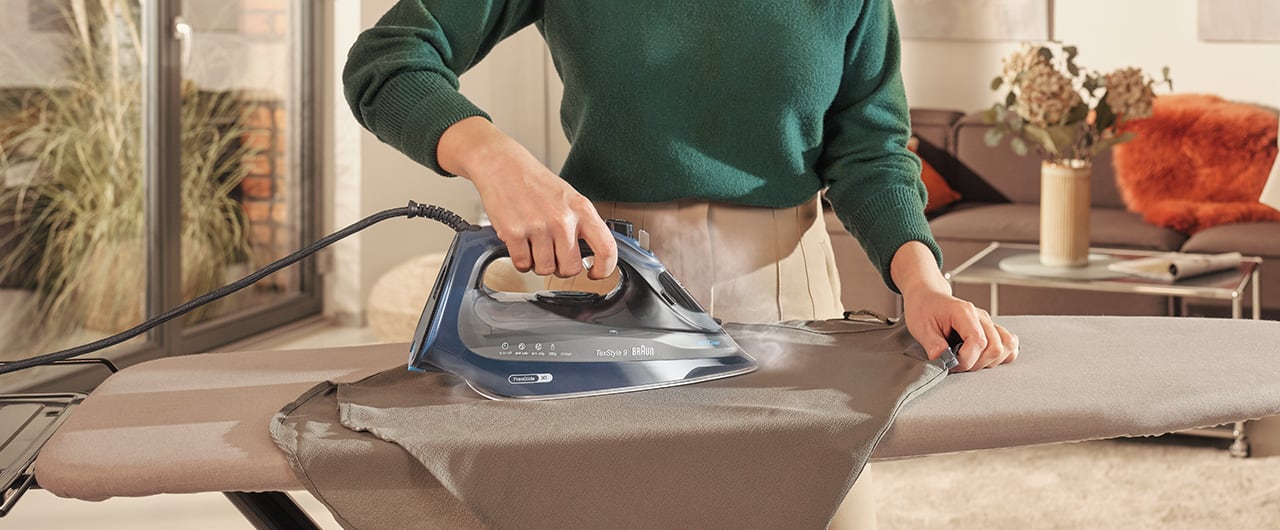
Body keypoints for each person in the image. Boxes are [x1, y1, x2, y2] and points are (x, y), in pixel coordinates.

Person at [345, 1, 1019, 527]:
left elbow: (870, 152)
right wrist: (495, 160)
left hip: (792, 309)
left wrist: (924, 284)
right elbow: (389, 60)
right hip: (605, 297)